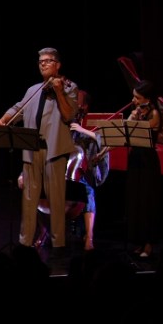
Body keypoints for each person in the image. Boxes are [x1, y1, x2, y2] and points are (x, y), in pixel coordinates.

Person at [0, 47, 78, 253]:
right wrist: (4, 118)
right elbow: (19, 108)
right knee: (29, 198)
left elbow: (68, 115)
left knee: (56, 199)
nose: (43, 64)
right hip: (31, 148)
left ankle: (58, 243)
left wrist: (58, 91)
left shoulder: (69, 88)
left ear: (58, 65)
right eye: (40, 61)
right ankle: (25, 243)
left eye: (48, 61)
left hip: (54, 149)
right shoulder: (33, 89)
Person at [67, 90, 109, 251]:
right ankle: (44, 233)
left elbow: (103, 139)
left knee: (88, 192)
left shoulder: (91, 121)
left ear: (84, 106)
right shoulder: (65, 117)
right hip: (64, 170)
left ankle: (89, 236)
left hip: (82, 172)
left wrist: (82, 130)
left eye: (77, 101)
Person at [125, 80, 161, 259]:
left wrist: (136, 119)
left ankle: (149, 244)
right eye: (134, 97)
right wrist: (132, 117)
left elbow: (143, 130)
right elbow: (126, 131)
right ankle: (139, 241)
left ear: (148, 99)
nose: (134, 100)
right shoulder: (136, 112)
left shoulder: (154, 113)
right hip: (135, 160)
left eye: (137, 98)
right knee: (136, 200)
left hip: (148, 161)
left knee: (147, 202)